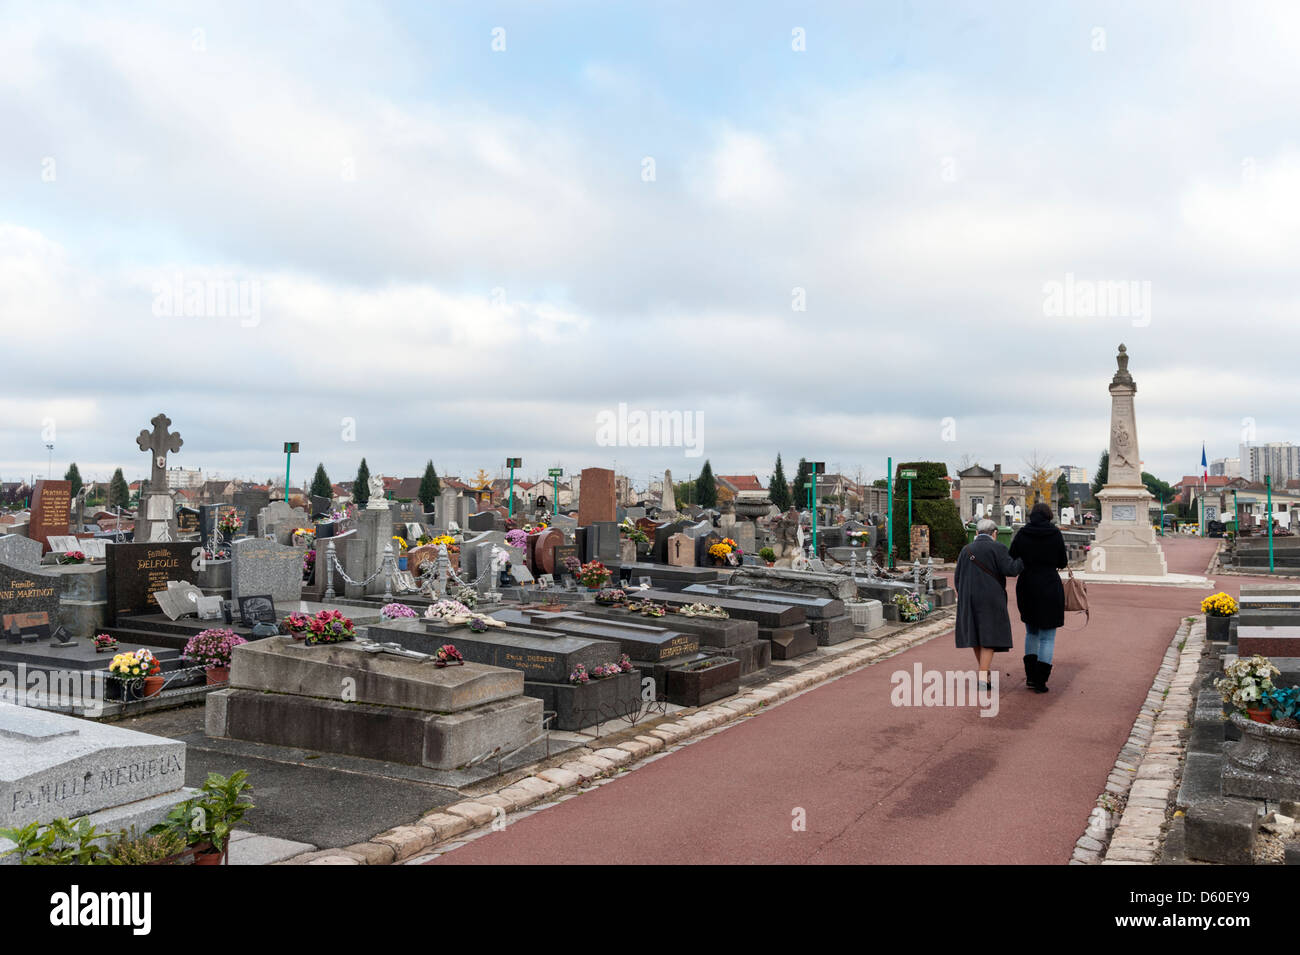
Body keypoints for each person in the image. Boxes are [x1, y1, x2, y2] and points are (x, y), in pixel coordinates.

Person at [954, 518, 1024, 690]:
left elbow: (957, 577)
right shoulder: (997, 547)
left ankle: (983, 672)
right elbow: (1011, 570)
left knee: (976, 636)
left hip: (968, 597)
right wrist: (1024, 558)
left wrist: (963, 594)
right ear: (995, 533)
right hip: (991, 597)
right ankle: (983, 678)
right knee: (989, 637)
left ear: (976, 533)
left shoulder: (966, 549)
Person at [1008, 501, 1068, 693]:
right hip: (1049, 584)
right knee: (1048, 638)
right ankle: (1041, 680)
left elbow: (1012, 555)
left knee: (1031, 632)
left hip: (1027, 585)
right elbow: (1063, 561)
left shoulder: (1023, 533)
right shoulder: (1055, 533)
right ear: (1049, 515)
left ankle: (1031, 677)